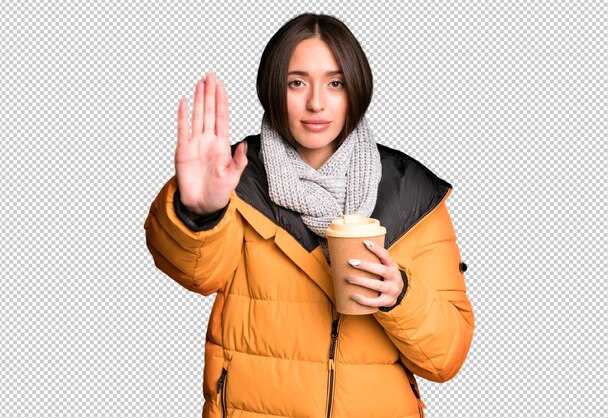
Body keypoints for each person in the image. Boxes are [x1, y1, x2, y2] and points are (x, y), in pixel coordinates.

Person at [144, 12, 474, 418]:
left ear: (356, 89)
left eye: (335, 83)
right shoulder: (238, 177)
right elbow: (196, 273)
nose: (316, 102)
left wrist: (401, 297)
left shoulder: (413, 194)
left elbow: (446, 359)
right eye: (296, 82)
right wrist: (200, 211)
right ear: (272, 88)